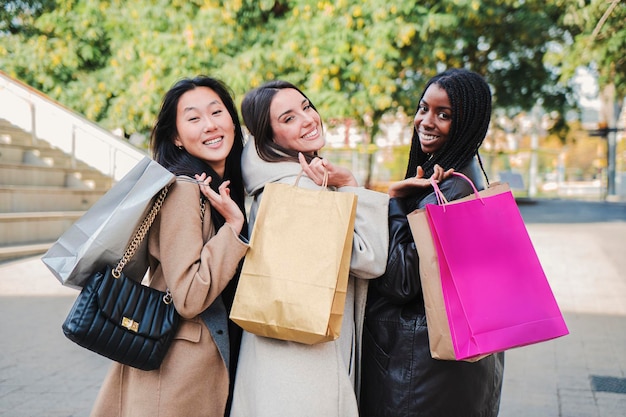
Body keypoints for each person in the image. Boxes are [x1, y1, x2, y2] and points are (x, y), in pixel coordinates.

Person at [90, 76, 250, 417]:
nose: (210, 125)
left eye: (217, 112)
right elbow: (189, 296)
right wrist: (233, 229)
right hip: (179, 371)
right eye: (193, 118)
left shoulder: (226, 189)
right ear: (176, 137)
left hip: (202, 366)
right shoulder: (183, 190)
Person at [229, 80, 389, 417]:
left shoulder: (266, 187)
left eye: (306, 106)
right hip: (304, 365)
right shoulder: (299, 192)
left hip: (271, 356)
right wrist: (350, 186)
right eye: (288, 118)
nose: (307, 119)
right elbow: (369, 258)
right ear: (268, 135)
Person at [359, 68, 505, 417]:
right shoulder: (465, 180)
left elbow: (401, 280)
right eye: (424, 108)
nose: (426, 121)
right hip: (446, 375)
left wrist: (394, 200)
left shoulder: (451, 190)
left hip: (419, 374)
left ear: (468, 124)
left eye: (444, 115)